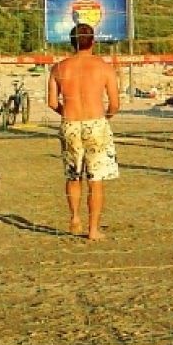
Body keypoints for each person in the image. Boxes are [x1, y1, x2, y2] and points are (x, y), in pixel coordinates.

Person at [47, 23, 121, 241]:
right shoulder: (103, 67)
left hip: (70, 122)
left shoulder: (59, 68)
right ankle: (93, 229)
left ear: (72, 42)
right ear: (94, 42)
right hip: (95, 122)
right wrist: (105, 117)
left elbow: (52, 102)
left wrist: (66, 112)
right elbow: (115, 104)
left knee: (73, 175)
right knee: (95, 179)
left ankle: (75, 217)